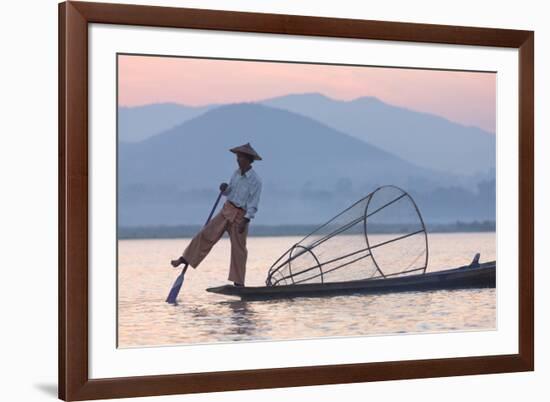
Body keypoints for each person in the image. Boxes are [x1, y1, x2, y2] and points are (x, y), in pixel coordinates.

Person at [170, 143, 263, 287]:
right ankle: (185, 258)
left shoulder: (255, 180)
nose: (238, 160)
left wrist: (245, 220)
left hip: (240, 216)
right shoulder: (236, 173)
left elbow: (253, 203)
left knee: (239, 250)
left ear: (248, 159)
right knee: (206, 234)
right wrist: (224, 189)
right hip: (226, 210)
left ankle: (238, 282)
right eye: (237, 157)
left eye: (240, 157)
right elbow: (229, 192)